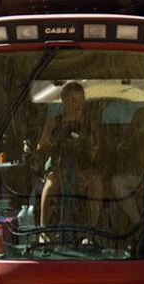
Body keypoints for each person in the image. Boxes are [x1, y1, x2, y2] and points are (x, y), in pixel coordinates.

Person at [35, 82, 103, 235]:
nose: (76, 104)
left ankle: (91, 232)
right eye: (72, 100)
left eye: (79, 100)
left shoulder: (90, 124)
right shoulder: (53, 123)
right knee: (51, 185)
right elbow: (41, 147)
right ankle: (43, 231)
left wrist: (93, 153)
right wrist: (45, 146)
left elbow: (98, 150)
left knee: (96, 183)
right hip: (58, 167)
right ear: (64, 100)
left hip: (83, 168)